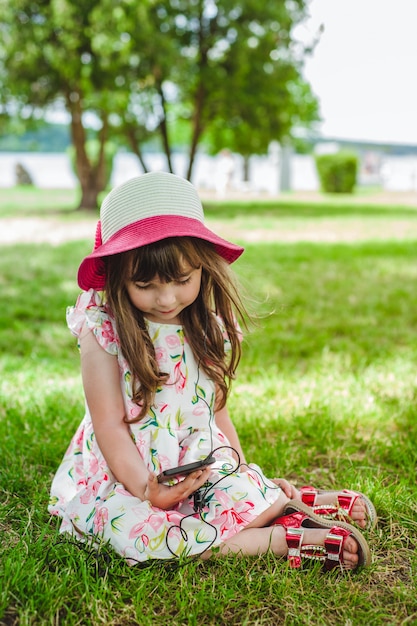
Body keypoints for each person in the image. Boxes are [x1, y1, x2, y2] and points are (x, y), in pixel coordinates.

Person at [49, 172, 375, 571]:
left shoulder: (209, 327)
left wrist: (240, 476)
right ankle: (278, 537)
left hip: (198, 462)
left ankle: (282, 499)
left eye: (182, 279)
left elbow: (217, 416)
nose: (166, 298)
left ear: (203, 266)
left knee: (238, 493)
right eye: (144, 284)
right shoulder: (103, 328)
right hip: (128, 473)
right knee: (139, 536)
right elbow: (110, 426)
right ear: (118, 274)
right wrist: (147, 492)